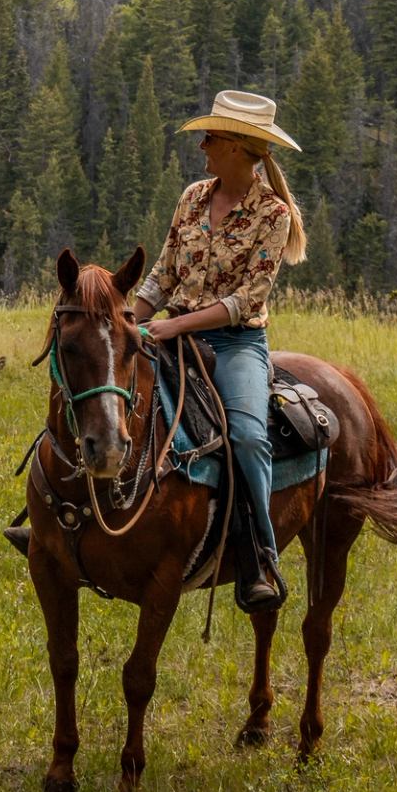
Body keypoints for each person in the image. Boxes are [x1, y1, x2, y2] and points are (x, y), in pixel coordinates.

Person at [135, 89, 307, 613]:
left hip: (235, 344)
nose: (202, 144)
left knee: (250, 437)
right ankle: (64, 519)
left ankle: (260, 557)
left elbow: (245, 300)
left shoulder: (272, 215)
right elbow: (163, 275)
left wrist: (171, 328)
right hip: (170, 330)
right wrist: (131, 321)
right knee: (105, 391)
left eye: (211, 136)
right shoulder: (192, 197)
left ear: (236, 147)